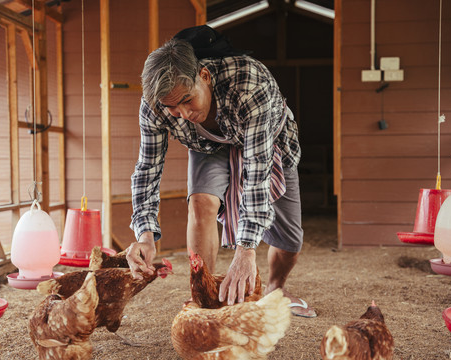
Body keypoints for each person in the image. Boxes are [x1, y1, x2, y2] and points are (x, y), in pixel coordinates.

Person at [125, 25, 316, 318]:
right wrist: (146, 234)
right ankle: (205, 297)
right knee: (201, 203)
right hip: (207, 146)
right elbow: (148, 168)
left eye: (188, 100)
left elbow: (257, 170)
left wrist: (246, 250)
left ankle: (275, 288)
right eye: (172, 108)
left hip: (265, 142)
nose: (184, 114)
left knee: (289, 239)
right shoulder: (153, 106)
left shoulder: (251, 82)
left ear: (204, 76)